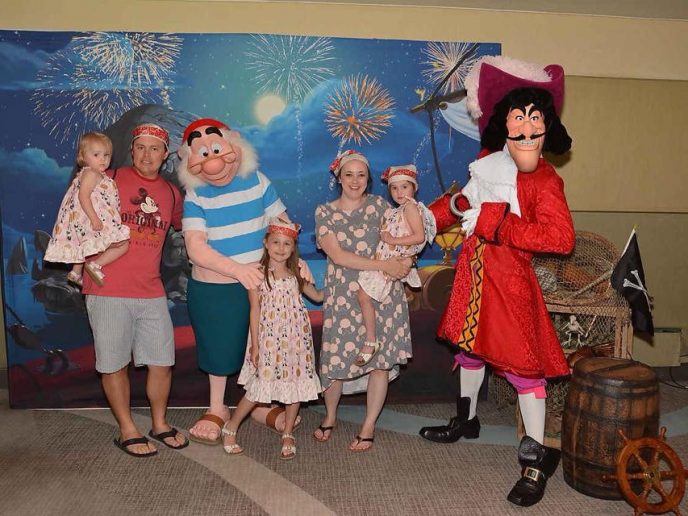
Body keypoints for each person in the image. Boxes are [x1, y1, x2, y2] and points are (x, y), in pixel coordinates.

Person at [419, 56, 575, 507]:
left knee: (524, 368)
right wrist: (424, 220)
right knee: (469, 349)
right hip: (474, 274)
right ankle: (466, 420)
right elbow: (465, 201)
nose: (526, 127)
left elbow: (560, 239)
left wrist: (499, 223)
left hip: (511, 284)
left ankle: (534, 459)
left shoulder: (545, 180)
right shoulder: (488, 161)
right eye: (517, 117)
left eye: (534, 118)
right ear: (503, 124)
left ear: (546, 126)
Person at [177, 118, 309, 445]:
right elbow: (195, 247)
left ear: (234, 144)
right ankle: (217, 407)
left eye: (217, 149)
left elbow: (281, 223)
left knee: (266, 344)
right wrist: (237, 270)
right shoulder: (196, 194)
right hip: (216, 284)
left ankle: (261, 406)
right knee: (220, 346)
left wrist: (296, 260)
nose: (214, 162)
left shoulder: (257, 181)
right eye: (203, 154)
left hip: (264, 281)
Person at [82, 123, 187, 457]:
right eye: (141, 147)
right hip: (107, 288)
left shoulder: (172, 194)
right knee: (114, 363)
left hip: (151, 290)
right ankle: (127, 429)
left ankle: (159, 424)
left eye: (155, 148)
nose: (147, 155)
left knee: (162, 362)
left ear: (165, 154)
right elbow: (75, 210)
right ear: (131, 151)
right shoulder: (108, 178)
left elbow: (189, 229)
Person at [313, 150, 413, 452]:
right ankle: (330, 415)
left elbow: (405, 236)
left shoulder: (381, 206)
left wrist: (405, 262)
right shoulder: (325, 212)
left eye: (361, 175)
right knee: (335, 359)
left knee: (380, 362)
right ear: (338, 177)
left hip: (381, 293)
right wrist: (384, 265)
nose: (355, 181)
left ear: (368, 179)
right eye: (349, 174)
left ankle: (368, 425)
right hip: (343, 297)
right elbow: (338, 256)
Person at [221, 218, 322, 460]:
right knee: (258, 388)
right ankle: (231, 427)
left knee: (295, 386)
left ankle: (287, 433)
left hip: (297, 339)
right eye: (276, 242)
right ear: (266, 243)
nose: (281, 248)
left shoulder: (297, 272)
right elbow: (254, 310)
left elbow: (318, 297)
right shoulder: (257, 274)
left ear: (293, 247)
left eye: (287, 243)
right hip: (268, 340)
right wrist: (255, 346)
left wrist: (342, 287)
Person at [357, 164, 436, 366]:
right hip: (388, 258)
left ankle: (371, 340)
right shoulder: (397, 210)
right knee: (368, 297)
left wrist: (393, 240)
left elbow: (419, 237)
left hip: (394, 260)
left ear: (414, 188)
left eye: (404, 187)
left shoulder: (410, 207)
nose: (399, 192)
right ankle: (376, 339)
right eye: (394, 188)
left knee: (364, 295)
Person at [44, 132, 130, 287]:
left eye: (106, 155)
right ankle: (96, 265)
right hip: (92, 217)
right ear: (83, 156)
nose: (102, 159)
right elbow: (83, 196)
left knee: (82, 244)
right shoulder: (92, 173)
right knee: (123, 244)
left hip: (83, 220)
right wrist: (94, 219)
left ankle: (76, 272)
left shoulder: (85, 173)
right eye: (96, 155)